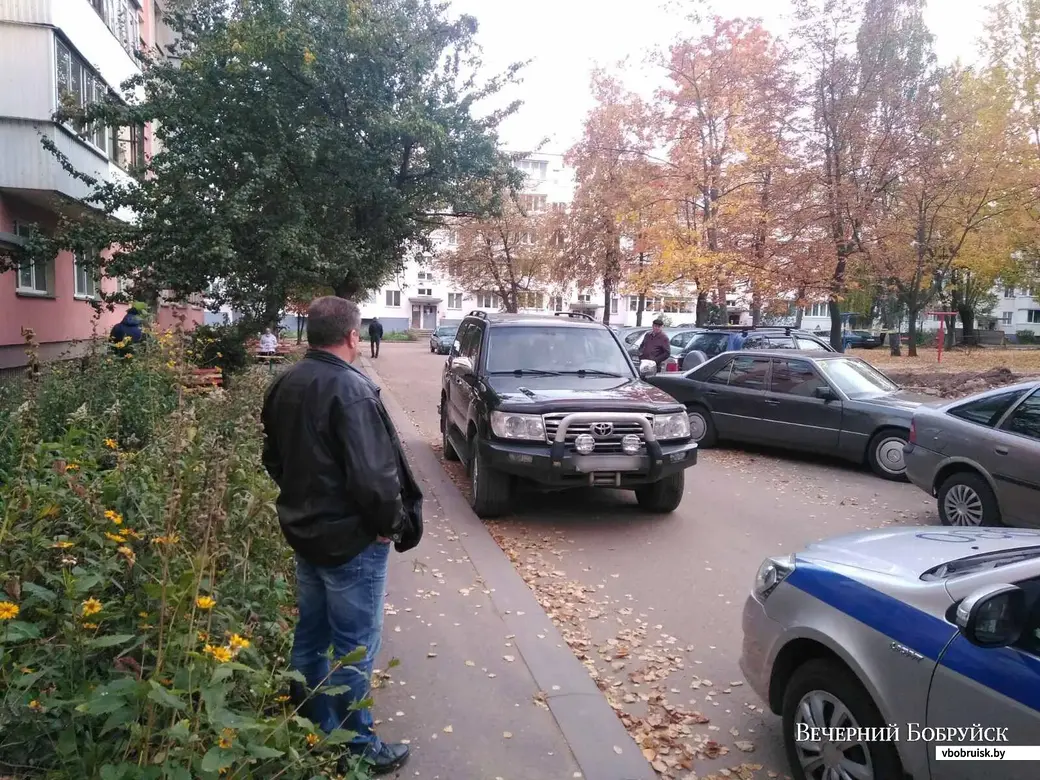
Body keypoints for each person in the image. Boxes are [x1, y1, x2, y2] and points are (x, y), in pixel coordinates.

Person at [261, 297, 422, 775]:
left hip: (306, 533)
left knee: (311, 631)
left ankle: (310, 719)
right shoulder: (352, 390)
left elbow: (274, 459)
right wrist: (387, 528)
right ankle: (356, 745)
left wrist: (303, 500)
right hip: (352, 543)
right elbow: (375, 479)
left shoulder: (285, 382)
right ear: (353, 336)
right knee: (354, 645)